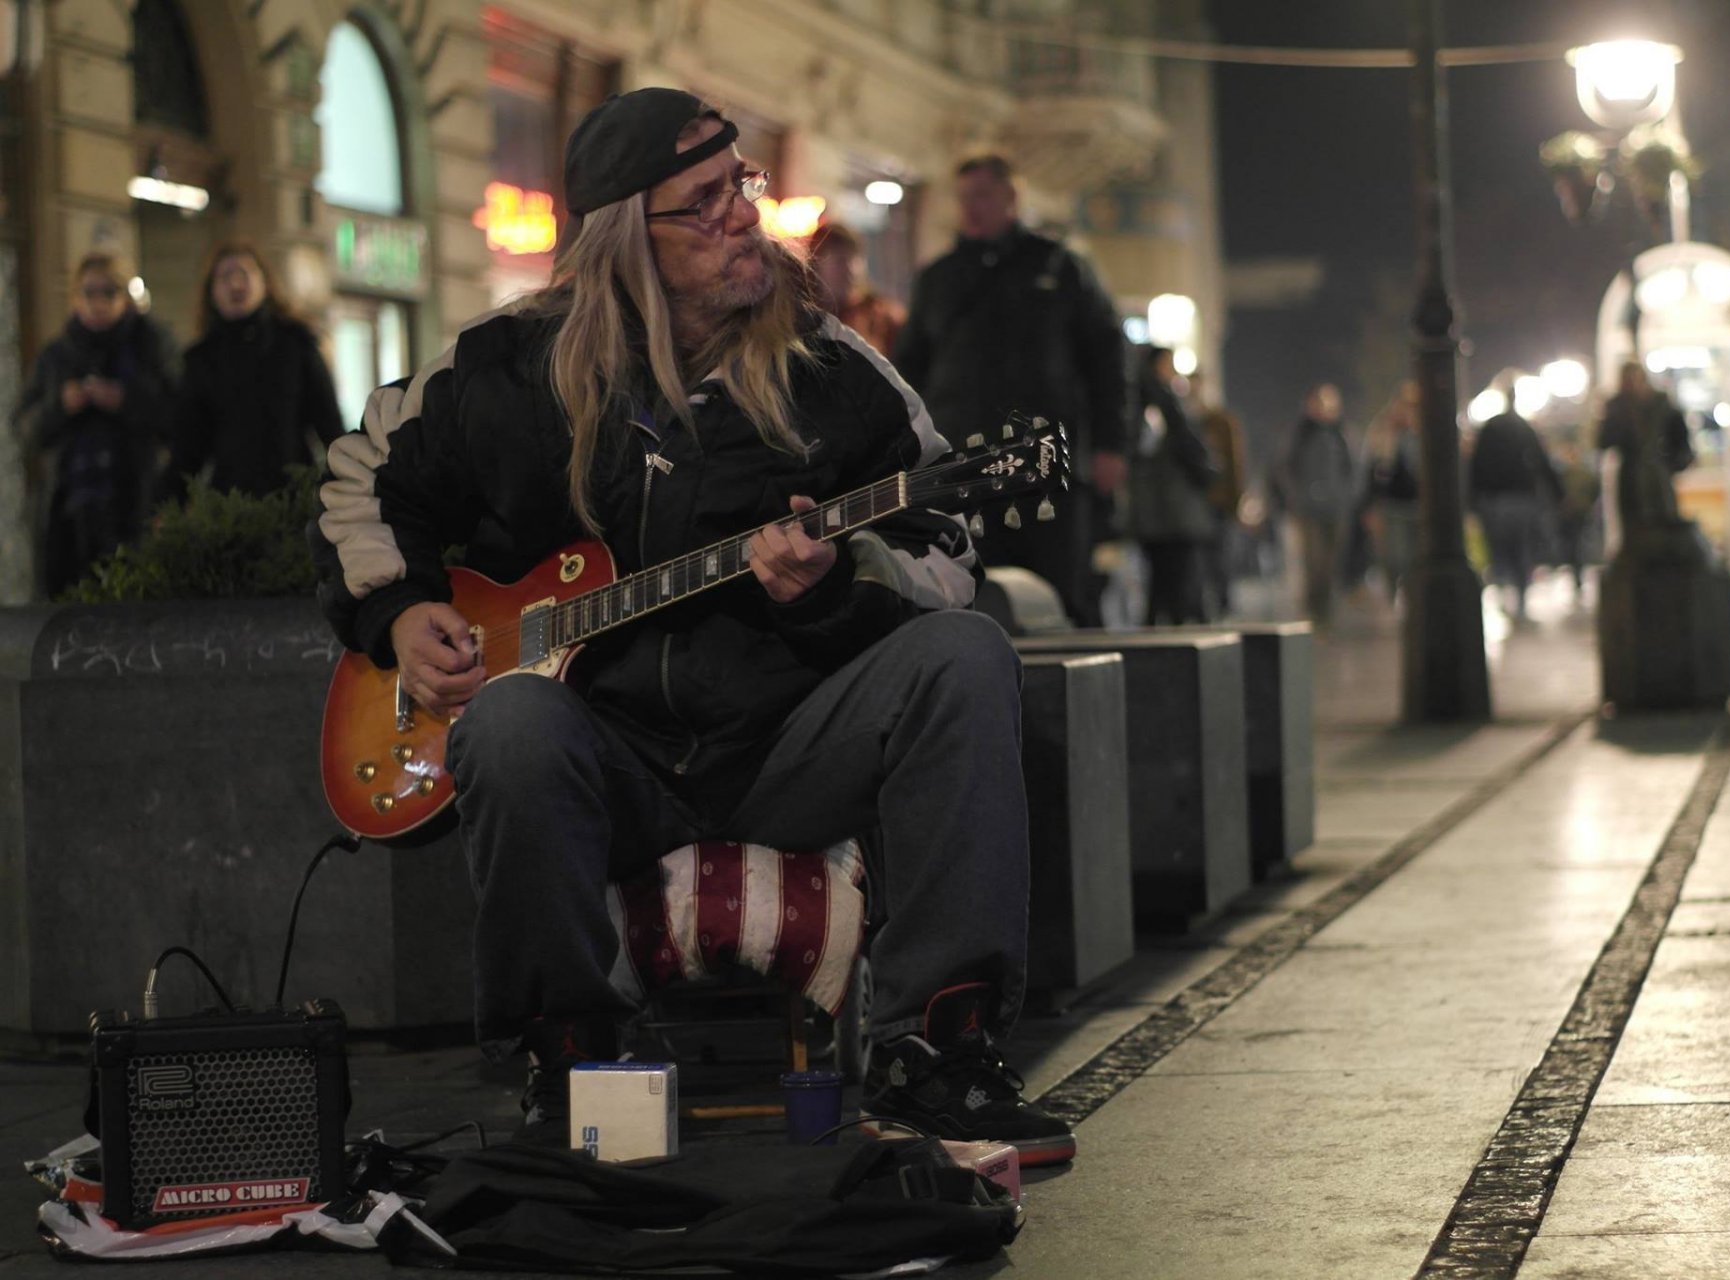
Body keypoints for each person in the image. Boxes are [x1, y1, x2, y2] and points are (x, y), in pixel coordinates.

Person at [309, 89, 1075, 1166]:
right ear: (626, 236)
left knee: (965, 655)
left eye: (740, 188)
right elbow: (363, 476)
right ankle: (568, 1054)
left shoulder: (833, 370)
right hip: (606, 756)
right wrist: (401, 611)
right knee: (511, 721)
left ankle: (941, 1054)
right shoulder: (508, 367)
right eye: (703, 203)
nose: (741, 219)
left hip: (784, 749)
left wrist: (837, 582)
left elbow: (945, 550)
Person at [893, 154, 1130, 625]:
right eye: (965, 198)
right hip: (964, 467)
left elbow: (1107, 360)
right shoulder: (938, 279)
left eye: (983, 195)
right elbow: (908, 372)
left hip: (1048, 465)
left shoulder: (1060, 267)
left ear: (1011, 198)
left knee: (1063, 593)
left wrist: (1111, 445)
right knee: (976, 592)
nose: (972, 208)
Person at [14, 252, 179, 595]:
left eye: (109, 292)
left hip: (136, 506)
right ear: (75, 298)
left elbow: (179, 418)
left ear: (125, 298)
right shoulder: (57, 356)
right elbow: (26, 430)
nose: (99, 302)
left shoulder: (150, 346)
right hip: (69, 517)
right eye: (90, 293)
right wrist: (61, 405)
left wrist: (124, 401)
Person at [168, 241, 343, 499]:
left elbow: (329, 424)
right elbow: (188, 449)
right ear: (211, 292)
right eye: (225, 276)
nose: (236, 284)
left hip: (294, 496)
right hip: (231, 503)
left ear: (265, 284)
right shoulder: (201, 360)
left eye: (245, 273)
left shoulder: (296, 345)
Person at [1128, 346, 1218, 624]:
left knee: (1162, 580)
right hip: (1169, 508)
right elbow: (1187, 447)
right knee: (1175, 579)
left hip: (1162, 509)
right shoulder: (1161, 404)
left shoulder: (1147, 401)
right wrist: (1208, 470)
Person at [1469, 386, 1560, 622]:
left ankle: (1505, 592)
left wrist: (1474, 498)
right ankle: (1518, 595)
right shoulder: (1523, 428)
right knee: (1520, 548)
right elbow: (1541, 461)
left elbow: (1476, 465)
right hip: (1519, 496)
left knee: (1501, 549)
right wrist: (1558, 492)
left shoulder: (1491, 428)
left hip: (1498, 498)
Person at [1276, 383, 1354, 623]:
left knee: (1331, 564)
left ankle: (1327, 612)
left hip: (1336, 508)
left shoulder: (1342, 434)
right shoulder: (1300, 435)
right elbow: (1284, 470)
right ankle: (1314, 614)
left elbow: (1352, 469)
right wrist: (1297, 498)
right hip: (1308, 509)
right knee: (1313, 563)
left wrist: (1345, 496)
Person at [1597, 361, 1692, 532]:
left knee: (1663, 527)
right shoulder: (1618, 407)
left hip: (1657, 477)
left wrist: (1671, 464)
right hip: (1632, 480)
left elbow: (1681, 440)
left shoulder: (1661, 405)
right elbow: (1604, 441)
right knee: (1635, 530)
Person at [1185, 368, 1247, 619]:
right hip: (1194, 503)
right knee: (1198, 560)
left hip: (1218, 502)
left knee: (1219, 557)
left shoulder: (1222, 422)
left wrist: (1234, 500)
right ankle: (1200, 608)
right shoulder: (1185, 420)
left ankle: (1221, 605)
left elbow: (1235, 462)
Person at [804, 222, 905, 358]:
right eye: (840, 261)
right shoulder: (803, 321)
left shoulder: (882, 317)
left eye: (855, 259)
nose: (851, 270)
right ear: (817, 266)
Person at [1363, 381, 1420, 607]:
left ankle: (1412, 598)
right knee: (1394, 556)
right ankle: (1393, 595)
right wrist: (1369, 506)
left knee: (1415, 556)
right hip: (1391, 504)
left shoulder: (1421, 433)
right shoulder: (1382, 433)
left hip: (1417, 504)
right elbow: (1371, 472)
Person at [1553, 438, 1599, 600]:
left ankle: (1577, 574)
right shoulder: (1564, 475)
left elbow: (1594, 491)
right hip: (1571, 514)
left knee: (1576, 545)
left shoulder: (1577, 474)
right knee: (1573, 545)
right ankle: (1576, 573)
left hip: (1578, 514)